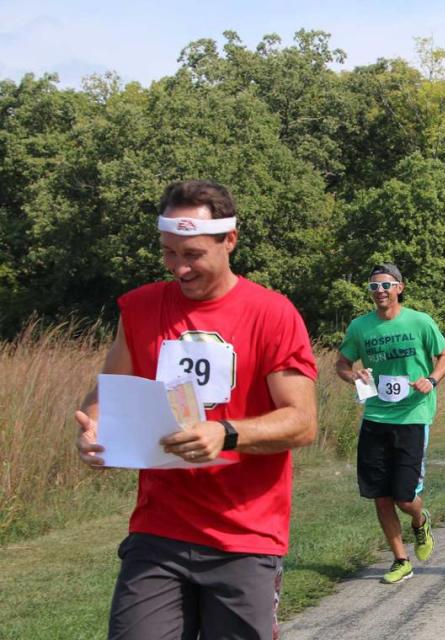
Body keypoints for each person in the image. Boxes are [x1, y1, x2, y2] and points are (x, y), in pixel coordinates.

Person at [74, 180, 319, 638]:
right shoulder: (141, 308)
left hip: (244, 538)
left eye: (192, 254)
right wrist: (94, 431)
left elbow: (302, 422)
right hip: (158, 531)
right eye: (169, 253)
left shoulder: (273, 314)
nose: (179, 268)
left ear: (230, 240)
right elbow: (108, 393)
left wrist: (223, 433)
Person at [335, 263, 445, 584]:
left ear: (399, 287)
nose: (380, 292)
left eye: (386, 285)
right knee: (380, 494)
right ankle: (400, 560)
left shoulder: (420, 321)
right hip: (375, 416)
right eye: (373, 287)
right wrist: (353, 375)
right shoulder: (361, 327)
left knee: (404, 497)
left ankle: (420, 519)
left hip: (413, 416)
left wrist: (432, 379)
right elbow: (342, 363)